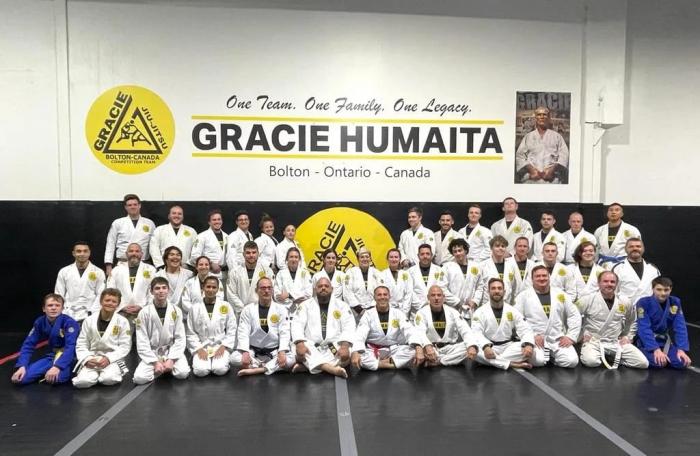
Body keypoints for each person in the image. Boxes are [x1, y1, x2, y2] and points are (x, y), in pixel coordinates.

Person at [514, 265, 581, 368]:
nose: (542, 278)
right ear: (532, 279)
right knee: (538, 361)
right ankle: (546, 356)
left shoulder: (560, 294)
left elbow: (574, 315)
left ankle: (552, 357)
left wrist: (570, 336)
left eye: (544, 275)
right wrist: (531, 336)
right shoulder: (523, 296)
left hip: (556, 338)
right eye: (538, 276)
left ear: (549, 277)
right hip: (536, 339)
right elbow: (517, 320)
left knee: (572, 361)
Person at [578, 271, 648, 369]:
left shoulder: (624, 301)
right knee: (591, 362)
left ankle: (611, 357)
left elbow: (632, 320)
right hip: (594, 341)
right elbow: (572, 317)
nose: (609, 284)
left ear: (616, 284)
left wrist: (628, 336)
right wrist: (580, 336)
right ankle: (606, 356)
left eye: (612, 282)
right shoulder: (587, 299)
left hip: (615, 342)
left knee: (643, 363)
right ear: (599, 283)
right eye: (605, 281)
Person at [291, 278, 356, 378]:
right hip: (312, 346)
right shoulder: (305, 305)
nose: (323, 288)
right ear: (315, 289)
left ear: (332, 289)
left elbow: (349, 326)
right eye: (320, 286)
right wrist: (300, 344)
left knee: (348, 352)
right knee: (296, 347)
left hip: (332, 346)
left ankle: (309, 366)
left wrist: (344, 346)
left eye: (326, 286)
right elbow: (297, 324)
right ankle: (331, 369)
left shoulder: (342, 306)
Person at [11, 294, 80, 385]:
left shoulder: (69, 323)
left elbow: (71, 347)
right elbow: (28, 345)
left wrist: (58, 366)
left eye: (57, 305)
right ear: (44, 309)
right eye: (50, 305)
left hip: (68, 356)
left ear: (62, 308)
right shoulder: (40, 322)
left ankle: (69, 368)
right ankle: (46, 371)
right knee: (21, 379)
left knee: (56, 379)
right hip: (52, 355)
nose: (53, 308)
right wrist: (22, 366)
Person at [350, 286, 423, 370]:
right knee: (356, 354)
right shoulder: (368, 314)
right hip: (373, 350)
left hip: (394, 349)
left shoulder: (398, 313)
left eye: (385, 294)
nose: (382, 297)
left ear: (389, 296)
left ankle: (378, 364)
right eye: (379, 295)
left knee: (413, 351)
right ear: (374, 297)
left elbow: (409, 330)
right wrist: (356, 351)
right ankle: (392, 364)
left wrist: (418, 347)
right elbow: (360, 334)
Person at [232, 277, 294, 376]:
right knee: (234, 358)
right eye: (263, 288)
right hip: (253, 351)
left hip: (274, 351)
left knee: (291, 359)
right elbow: (243, 332)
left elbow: (284, 332)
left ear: (272, 290)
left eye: (269, 288)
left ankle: (257, 369)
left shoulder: (281, 309)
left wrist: (282, 351)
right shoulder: (248, 309)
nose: (266, 291)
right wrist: (245, 352)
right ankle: (268, 367)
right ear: (256, 290)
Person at [133, 278, 190, 384]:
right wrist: (155, 362)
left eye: (164, 288)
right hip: (153, 353)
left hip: (171, 350)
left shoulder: (176, 311)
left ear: (168, 290)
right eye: (157, 288)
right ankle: (161, 367)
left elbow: (180, 338)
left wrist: (171, 359)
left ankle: (166, 366)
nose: (161, 291)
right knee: (139, 379)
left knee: (183, 374)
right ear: (151, 291)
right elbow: (142, 340)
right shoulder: (144, 312)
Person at [471, 278, 538, 370]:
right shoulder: (480, 312)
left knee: (535, 354)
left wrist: (528, 345)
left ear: (504, 291)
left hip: (508, 347)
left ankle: (495, 362)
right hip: (490, 347)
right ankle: (511, 364)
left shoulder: (512, 310)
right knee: (473, 350)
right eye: (493, 288)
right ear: (488, 292)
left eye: (499, 288)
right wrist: (485, 346)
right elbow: (476, 333)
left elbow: (525, 329)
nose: (496, 291)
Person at [72, 288, 132, 388]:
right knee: (82, 382)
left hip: (113, 359)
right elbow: (81, 343)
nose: (110, 303)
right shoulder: (89, 320)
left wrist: (109, 358)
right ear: (101, 301)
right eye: (107, 300)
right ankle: (92, 374)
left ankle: (106, 373)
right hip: (92, 358)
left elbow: (125, 346)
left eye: (114, 301)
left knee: (108, 379)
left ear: (118, 304)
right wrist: (87, 359)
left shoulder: (123, 321)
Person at [412, 286, 478, 367]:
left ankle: (439, 361)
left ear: (444, 297)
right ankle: (449, 360)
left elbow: (465, 329)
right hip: (432, 349)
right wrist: (427, 346)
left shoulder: (453, 311)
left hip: (450, 348)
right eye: (433, 295)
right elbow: (420, 332)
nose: (436, 298)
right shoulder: (421, 313)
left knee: (472, 345)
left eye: (439, 295)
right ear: (428, 297)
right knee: (414, 351)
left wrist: (471, 346)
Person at [635, 277, 692, 369]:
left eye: (666, 290)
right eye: (659, 289)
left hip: (664, 341)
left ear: (671, 289)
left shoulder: (675, 302)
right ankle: (638, 350)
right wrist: (655, 349)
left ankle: (665, 356)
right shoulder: (643, 303)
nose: (663, 293)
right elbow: (644, 328)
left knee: (681, 362)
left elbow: (680, 327)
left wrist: (681, 349)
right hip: (646, 342)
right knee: (659, 363)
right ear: (653, 289)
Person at [186, 276, 237, 377]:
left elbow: (232, 328)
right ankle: (203, 361)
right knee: (200, 371)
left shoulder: (225, 306)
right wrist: (198, 348)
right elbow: (191, 332)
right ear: (203, 288)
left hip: (220, 345)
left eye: (214, 287)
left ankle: (221, 362)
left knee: (219, 369)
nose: (211, 290)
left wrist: (224, 346)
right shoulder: (194, 308)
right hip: (202, 346)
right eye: (208, 287)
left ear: (218, 289)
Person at [104, 194, 155, 276]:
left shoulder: (149, 223)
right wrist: (108, 265)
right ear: (126, 207)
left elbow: (154, 246)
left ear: (139, 206)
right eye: (130, 205)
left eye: (135, 204)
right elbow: (110, 244)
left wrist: (157, 264)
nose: (132, 207)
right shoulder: (118, 223)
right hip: (123, 262)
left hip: (144, 263)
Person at [514, 106, 569, 184]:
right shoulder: (528, 137)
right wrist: (531, 170)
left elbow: (564, 155)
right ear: (535, 118)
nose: (542, 117)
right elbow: (520, 156)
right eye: (539, 115)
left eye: (544, 114)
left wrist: (553, 169)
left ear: (549, 118)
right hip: (532, 179)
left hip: (552, 179)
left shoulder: (557, 136)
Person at [54, 241, 106, 321]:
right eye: (79, 251)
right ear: (73, 253)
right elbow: (58, 294)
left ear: (89, 253)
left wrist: (93, 312)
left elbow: (101, 294)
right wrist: (61, 312)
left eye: (85, 251)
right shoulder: (64, 271)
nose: (82, 254)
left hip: (89, 313)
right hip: (68, 312)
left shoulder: (98, 272)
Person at [106, 243, 156, 322]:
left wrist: (142, 306)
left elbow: (153, 292)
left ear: (142, 254)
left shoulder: (151, 270)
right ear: (126, 254)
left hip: (144, 312)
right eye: (131, 251)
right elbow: (110, 291)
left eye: (137, 251)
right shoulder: (116, 270)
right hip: (121, 313)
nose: (134, 253)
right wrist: (121, 307)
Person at [226, 240, 274, 316]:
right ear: (243, 254)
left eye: (254, 252)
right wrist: (243, 310)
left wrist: (258, 308)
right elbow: (231, 294)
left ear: (258, 254)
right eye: (248, 253)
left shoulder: (267, 271)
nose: (251, 255)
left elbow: (271, 290)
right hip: (241, 312)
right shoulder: (234, 272)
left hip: (261, 310)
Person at [407, 244, 457, 313]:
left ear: (431, 255)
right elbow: (409, 292)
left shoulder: (439, 270)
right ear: (418, 256)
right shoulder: (410, 272)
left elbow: (443, 289)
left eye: (427, 254)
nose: (425, 256)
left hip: (436, 309)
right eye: (422, 254)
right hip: (416, 311)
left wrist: (456, 302)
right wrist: (421, 305)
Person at [612, 238, 660, 306]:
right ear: (625, 249)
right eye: (631, 246)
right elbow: (613, 291)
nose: (635, 248)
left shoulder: (653, 269)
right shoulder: (617, 269)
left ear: (643, 249)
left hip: (648, 307)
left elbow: (659, 290)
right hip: (625, 308)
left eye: (638, 246)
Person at [442, 238, 482, 319]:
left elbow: (480, 286)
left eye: (460, 250)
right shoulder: (447, 267)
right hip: (453, 308)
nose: (457, 253)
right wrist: (457, 302)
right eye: (455, 251)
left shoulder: (476, 266)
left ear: (466, 251)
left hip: (470, 309)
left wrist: (475, 301)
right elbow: (442, 288)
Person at [149, 205, 197, 270]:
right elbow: (154, 249)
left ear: (183, 217)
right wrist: (160, 265)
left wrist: (190, 264)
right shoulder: (159, 230)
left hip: (186, 268)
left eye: (179, 214)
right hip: (164, 268)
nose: (176, 216)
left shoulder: (191, 231)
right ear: (169, 216)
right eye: (174, 213)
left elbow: (195, 250)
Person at [476, 236, 518, 305]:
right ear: (491, 248)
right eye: (497, 246)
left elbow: (514, 287)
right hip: (487, 304)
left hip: (507, 304)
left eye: (503, 246)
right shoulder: (482, 266)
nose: (500, 248)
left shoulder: (511, 266)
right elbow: (479, 287)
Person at [343, 247, 383, 317]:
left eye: (367, 257)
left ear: (370, 259)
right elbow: (347, 292)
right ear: (358, 259)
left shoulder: (377, 273)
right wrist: (359, 310)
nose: (365, 259)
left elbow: (381, 291)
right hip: (355, 311)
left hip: (374, 310)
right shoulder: (350, 272)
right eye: (362, 257)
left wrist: (374, 308)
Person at [274, 247, 312, 314]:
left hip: (302, 309)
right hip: (284, 310)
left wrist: (289, 295)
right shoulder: (281, 274)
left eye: (296, 257)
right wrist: (297, 298)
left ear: (299, 259)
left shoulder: (305, 273)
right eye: (291, 257)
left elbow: (309, 294)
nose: (294, 259)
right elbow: (277, 296)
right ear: (287, 259)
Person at [189, 209, 227, 275]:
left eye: (219, 219)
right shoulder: (201, 236)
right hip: (209, 273)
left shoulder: (227, 236)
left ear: (222, 221)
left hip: (225, 273)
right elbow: (194, 256)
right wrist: (210, 263)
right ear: (209, 222)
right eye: (214, 220)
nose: (217, 222)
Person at [378, 248, 414, 316]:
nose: (394, 259)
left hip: (404, 309)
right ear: (387, 259)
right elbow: (381, 294)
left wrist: (404, 311)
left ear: (400, 259)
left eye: (396, 257)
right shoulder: (382, 275)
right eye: (391, 257)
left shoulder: (406, 274)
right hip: (387, 309)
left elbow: (409, 293)